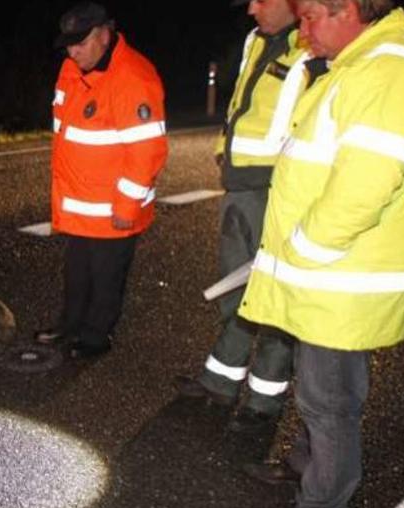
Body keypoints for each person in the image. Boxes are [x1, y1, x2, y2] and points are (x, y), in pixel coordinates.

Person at [237, 1, 404, 508]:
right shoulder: (361, 64)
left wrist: (305, 244)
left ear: (349, 9)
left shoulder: (389, 71)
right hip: (330, 274)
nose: (301, 29)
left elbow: (365, 186)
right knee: (316, 391)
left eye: (310, 16)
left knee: (330, 403)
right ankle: (306, 469)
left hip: (341, 274)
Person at [175, 0, 314, 433]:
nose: (252, 9)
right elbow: (242, 104)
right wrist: (224, 151)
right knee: (236, 289)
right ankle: (221, 380)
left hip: (280, 190)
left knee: (274, 297)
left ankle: (263, 403)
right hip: (241, 185)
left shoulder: (314, 49)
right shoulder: (257, 40)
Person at [36, 2, 168, 359]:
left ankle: (96, 337)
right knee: (77, 272)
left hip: (113, 207)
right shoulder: (71, 67)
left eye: (80, 43)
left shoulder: (133, 77)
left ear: (104, 34)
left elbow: (148, 151)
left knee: (106, 277)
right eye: (68, 44)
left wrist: (127, 205)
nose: (72, 51)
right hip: (81, 201)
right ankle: (69, 325)